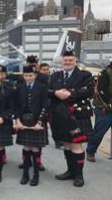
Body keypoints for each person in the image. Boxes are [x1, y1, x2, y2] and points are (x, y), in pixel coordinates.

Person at [49, 50, 94, 187]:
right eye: (65, 60)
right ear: (62, 61)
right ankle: (70, 171)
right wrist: (55, 92)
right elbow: (47, 90)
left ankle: (78, 175)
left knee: (76, 145)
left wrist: (69, 94)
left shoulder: (84, 75)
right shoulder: (55, 76)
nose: (67, 62)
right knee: (67, 144)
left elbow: (89, 91)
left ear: (75, 61)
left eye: (70, 60)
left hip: (77, 115)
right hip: (60, 115)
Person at [14, 66, 49, 186]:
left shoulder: (42, 87)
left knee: (35, 148)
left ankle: (36, 175)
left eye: (30, 75)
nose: (28, 77)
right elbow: (16, 106)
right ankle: (25, 174)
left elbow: (45, 106)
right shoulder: (19, 87)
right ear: (23, 76)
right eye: (26, 75)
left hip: (37, 122)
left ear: (35, 76)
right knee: (26, 147)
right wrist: (17, 121)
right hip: (24, 122)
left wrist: (39, 122)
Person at [86, 60, 112, 162]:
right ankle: (90, 151)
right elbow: (103, 92)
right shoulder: (105, 73)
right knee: (99, 132)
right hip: (104, 108)